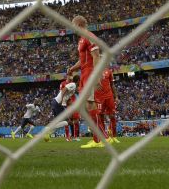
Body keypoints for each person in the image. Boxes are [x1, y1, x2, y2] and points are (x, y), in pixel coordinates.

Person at [67, 15, 109, 148]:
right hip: (84, 74)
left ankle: (99, 139)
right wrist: (72, 68)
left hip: (90, 74)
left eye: (73, 25)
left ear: (78, 24)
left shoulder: (89, 36)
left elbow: (96, 56)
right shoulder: (82, 39)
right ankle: (101, 137)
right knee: (88, 107)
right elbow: (83, 59)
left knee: (90, 106)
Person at [42, 75, 80, 142]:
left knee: (60, 121)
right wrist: (62, 100)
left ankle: (47, 134)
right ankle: (47, 129)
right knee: (68, 122)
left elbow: (68, 99)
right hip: (58, 103)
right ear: (78, 81)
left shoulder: (73, 88)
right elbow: (63, 90)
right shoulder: (73, 85)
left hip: (57, 102)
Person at [95, 67, 120, 143]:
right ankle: (104, 136)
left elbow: (112, 85)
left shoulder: (108, 71)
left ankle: (114, 136)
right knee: (100, 116)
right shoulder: (94, 70)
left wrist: (116, 96)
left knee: (112, 115)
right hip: (99, 98)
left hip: (109, 97)